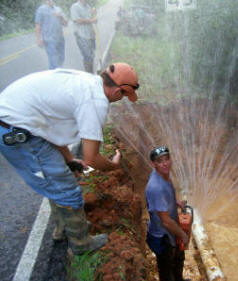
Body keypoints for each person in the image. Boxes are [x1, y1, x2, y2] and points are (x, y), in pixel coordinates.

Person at [0, 62, 140, 255]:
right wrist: (113, 166)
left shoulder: (88, 82)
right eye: (124, 95)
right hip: (16, 130)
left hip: (18, 121)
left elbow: (50, 126)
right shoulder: (95, 101)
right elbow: (92, 159)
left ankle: (64, 228)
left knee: (58, 177)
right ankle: (81, 243)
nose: (122, 99)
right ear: (119, 90)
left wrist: (68, 158)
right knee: (65, 187)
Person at [145, 146, 190, 281]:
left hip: (170, 231)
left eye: (167, 159)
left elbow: (168, 190)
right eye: (160, 161)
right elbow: (166, 221)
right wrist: (183, 234)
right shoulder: (156, 187)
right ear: (154, 164)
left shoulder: (162, 174)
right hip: (162, 237)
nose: (165, 163)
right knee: (166, 270)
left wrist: (176, 202)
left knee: (178, 259)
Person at [35, 0, 67, 69]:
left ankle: (59, 73)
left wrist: (60, 16)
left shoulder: (58, 9)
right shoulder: (41, 9)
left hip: (60, 39)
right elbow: (38, 25)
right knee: (54, 62)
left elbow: (65, 24)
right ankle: (55, 75)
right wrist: (39, 38)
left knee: (61, 59)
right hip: (49, 39)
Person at [70, 0, 97, 73]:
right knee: (87, 56)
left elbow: (91, 19)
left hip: (90, 35)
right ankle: (89, 75)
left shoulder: (88, 7)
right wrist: (92, 20)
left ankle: (91, 74)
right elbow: (77, 20)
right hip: (81, 35)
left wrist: (94, 14)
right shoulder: (75, 7)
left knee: (91, 55)